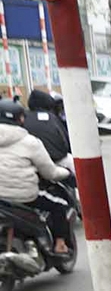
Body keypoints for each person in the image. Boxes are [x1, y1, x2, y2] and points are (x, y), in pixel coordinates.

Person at [0, 99, 72, 253]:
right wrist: (66, 173)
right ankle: (60, 245)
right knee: (59, 205)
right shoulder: (30, 142)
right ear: (20, 119)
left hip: (2, 198)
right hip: (25, 195)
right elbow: (50, 172)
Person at [23, 89, 72, 168]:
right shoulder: (52, 118)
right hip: (58, 159)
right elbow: (66, 140)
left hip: (32, 161)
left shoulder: (25, 118)